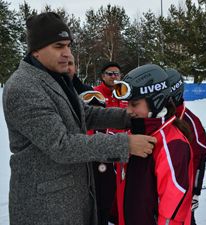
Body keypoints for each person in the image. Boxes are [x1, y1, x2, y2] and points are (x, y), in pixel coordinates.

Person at [2, 12, 156, 225]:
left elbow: (86, 114)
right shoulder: (23, 87)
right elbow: (61, 145)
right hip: (46, 208)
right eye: (58, 46)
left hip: (72, 199)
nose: (67, 53)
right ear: (35, 50)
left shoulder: (55, 77)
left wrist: (129, 117)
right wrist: (125, 144)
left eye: (68, 45)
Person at [113, 64, 194, 225]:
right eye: (127, 104)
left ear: (155, 102)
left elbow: (173, 211)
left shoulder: (172, 144)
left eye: (134, 104)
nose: (128, 110)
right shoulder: (134, 135)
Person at [165, 68, 206, 225]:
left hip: (182, 192)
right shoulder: (156, 116)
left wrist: (195, 192)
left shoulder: (190, 121)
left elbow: (200, 157)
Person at [92, 61, 128, 225]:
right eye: (110, 73)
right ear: (102, 76)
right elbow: (89, 124)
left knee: (124, 190)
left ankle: (118, 216)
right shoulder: (95, 94)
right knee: (104, 192)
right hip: (104, 154)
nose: (114, 77)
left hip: (125, 150)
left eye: (117, 74)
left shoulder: (124, 92)